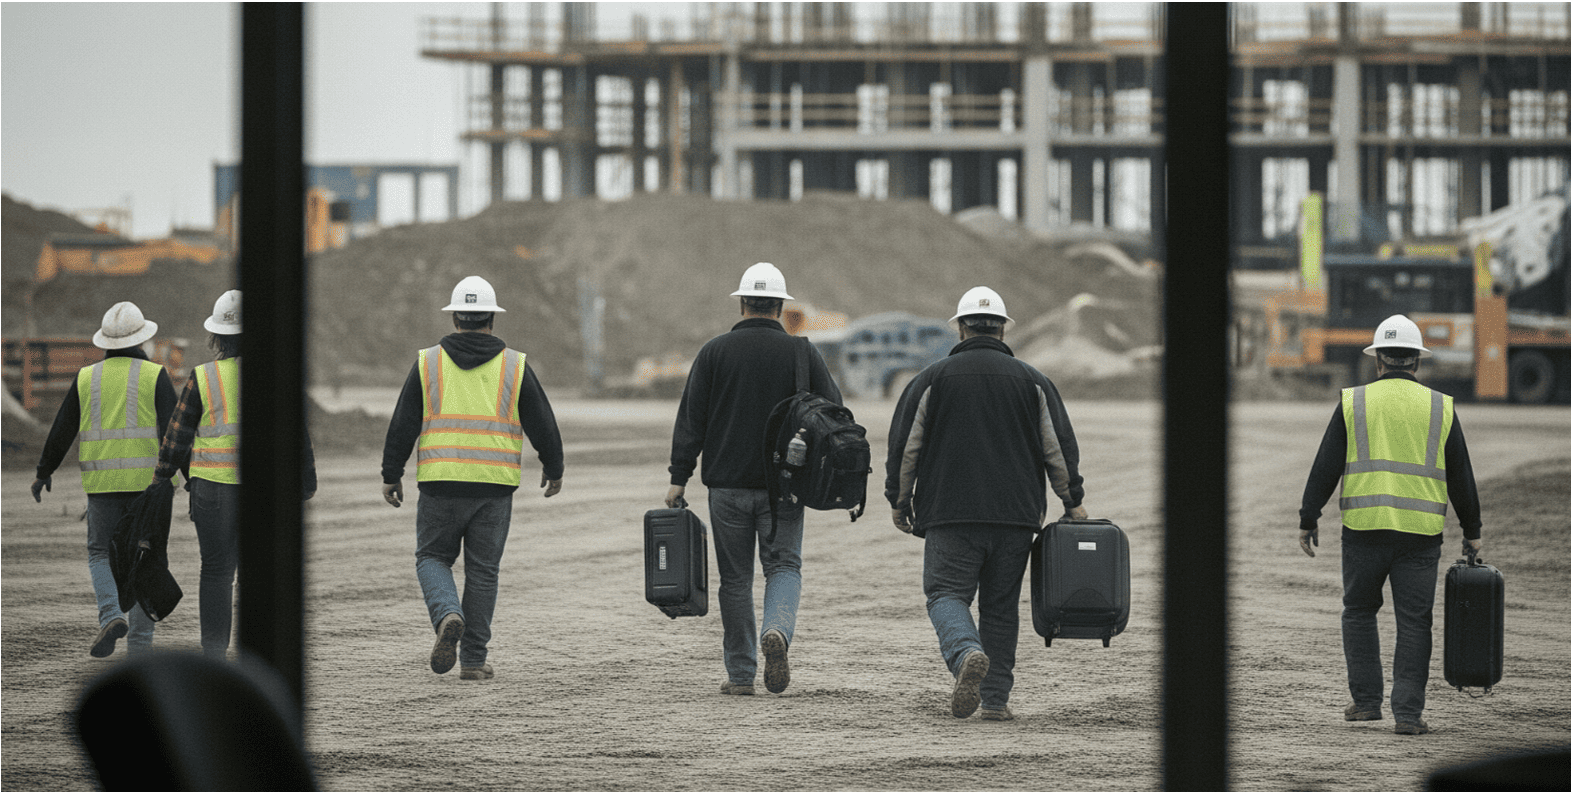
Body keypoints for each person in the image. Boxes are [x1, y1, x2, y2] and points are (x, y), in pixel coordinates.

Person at [885, 286, 1087, 721]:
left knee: (945, 593)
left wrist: (899, 501)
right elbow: (1058, 447)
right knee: (1000, 607)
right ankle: (995, 700)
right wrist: (1072, 502)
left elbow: (906, 449)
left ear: (960, 327)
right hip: (1015, 518)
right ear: (1002, 328)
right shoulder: (1033, 380)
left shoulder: (930, 380)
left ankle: (964, 655)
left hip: (949, 515)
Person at [1298, 313, 1483, 736]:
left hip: (1363, 530)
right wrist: (1472, 531)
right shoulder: (1441, 406)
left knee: (1359, 612)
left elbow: (1325, 464)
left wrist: (1309, 517)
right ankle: (1408, 715)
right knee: (1415, 622)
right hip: (1420, 536)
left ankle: (1365, 703)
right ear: (1416, 360)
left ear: (1378, 358)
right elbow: (1461, 473)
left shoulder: (1353, 402)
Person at [665, 262, 842, 696]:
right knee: (783, 566)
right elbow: (835, 412)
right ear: (781, 306)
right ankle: (777, 632)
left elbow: (691, 420)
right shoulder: (803, 353)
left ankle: (741, 675)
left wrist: (678, 477)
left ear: (742, 303)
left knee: (736, 580)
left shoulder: (714, 352)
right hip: (784, 486)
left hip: (725, 486)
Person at [381, 275, 564, 681]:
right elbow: (543, 423)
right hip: (493, 485)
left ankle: (447, 613)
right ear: (491, 320)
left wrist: (391, 473)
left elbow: (402, 423)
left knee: (432, 558)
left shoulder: (427, 362)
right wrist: (554, 468)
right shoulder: (515, 365)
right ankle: (475, 661)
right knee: (483, 571)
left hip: (439, 482)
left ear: (455, 318)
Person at [152, 289, 318, 659]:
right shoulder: (275, 374)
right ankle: (257, 652)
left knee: (215, 572)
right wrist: (305, 481)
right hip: (263, 490)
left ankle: (214, 654)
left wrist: (162, 475)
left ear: (218, 336)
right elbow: (297, 432)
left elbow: (177, 435)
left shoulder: (203, 377)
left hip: (212, 490)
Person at [32, 301, 177, 658]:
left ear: (105, 342)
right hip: (149, 488)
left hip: (101, 488)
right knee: (148, 559)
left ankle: (111, 614)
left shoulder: (86, 377)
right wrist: (191, 478)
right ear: (142, 338)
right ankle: (140, 651)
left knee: (100, 553)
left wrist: (43, 471)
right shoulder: (155, 375)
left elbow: (62, 428)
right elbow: (176, 433)